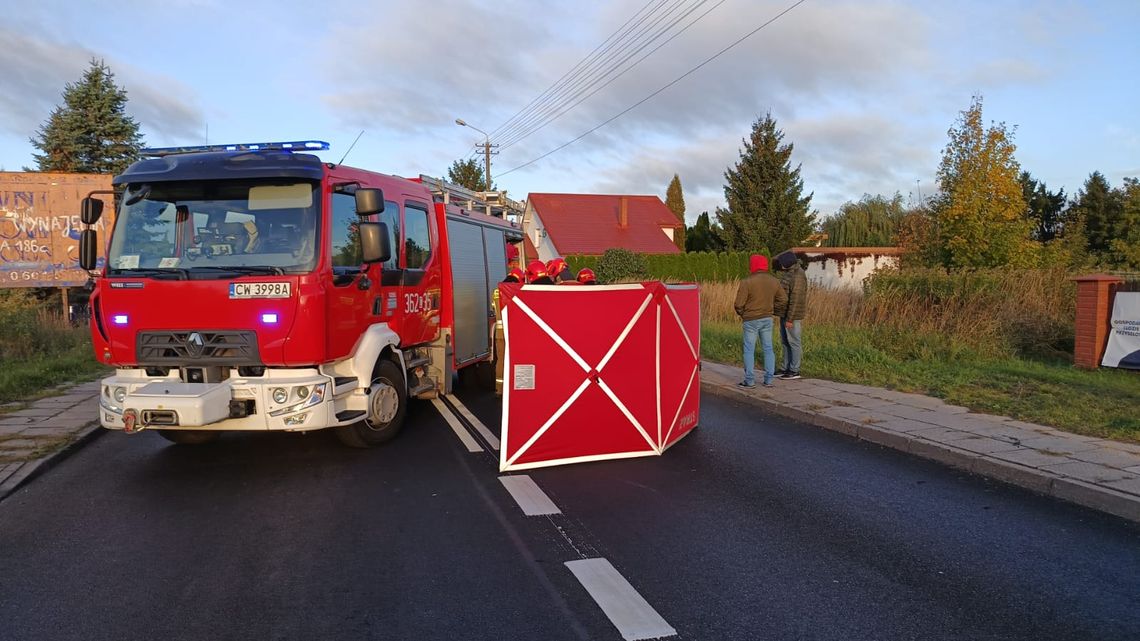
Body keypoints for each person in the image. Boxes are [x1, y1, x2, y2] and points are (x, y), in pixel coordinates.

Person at [734, 254, 787, 388]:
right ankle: (769, 380)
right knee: (768, 348)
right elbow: (784, 299)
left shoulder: (747, 281)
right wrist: (773, 310)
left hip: (750, 319)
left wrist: (743, 314)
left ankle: (750, 380)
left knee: (749, 349)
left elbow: (738, 304)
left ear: (753, 265)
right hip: (767, 318)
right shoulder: (774, 281)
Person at [775, 250, 807, 379]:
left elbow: (796, 298)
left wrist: (790, 318)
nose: (780, 265)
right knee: (785, 341)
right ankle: (785, 367)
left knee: (794, 341)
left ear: (787, 262)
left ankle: (794, 370)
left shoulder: (798, 275)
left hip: (792, 316)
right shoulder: (789, 272)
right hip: (784, 313)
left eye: (782, 263)